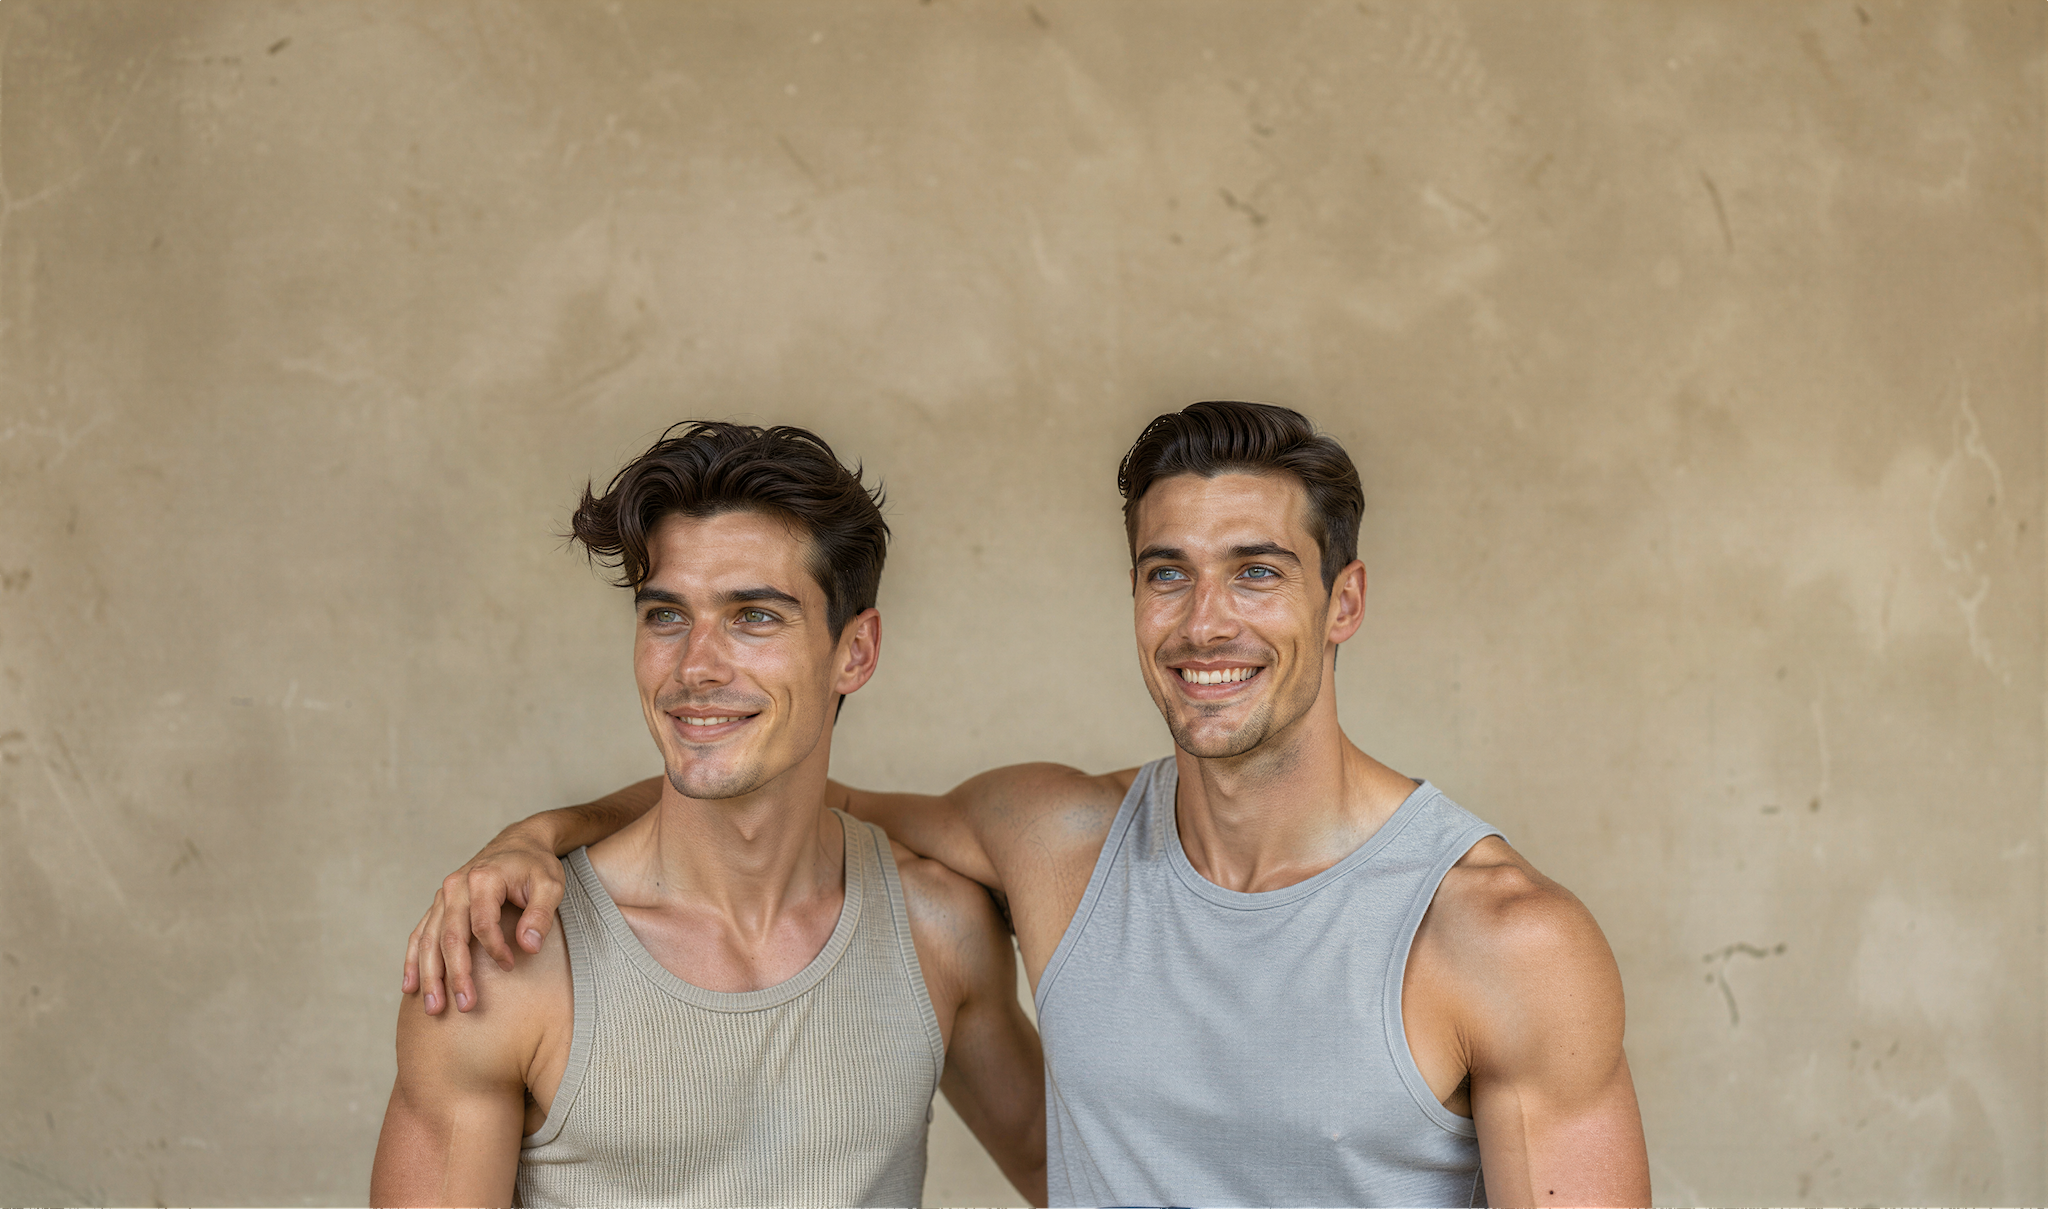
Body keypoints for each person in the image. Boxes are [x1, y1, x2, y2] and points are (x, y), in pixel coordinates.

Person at [407, 402, 1651, 1206]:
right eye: (1166, 575)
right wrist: (535, 839)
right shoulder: (1058, 845)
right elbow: (768, 781)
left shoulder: (1498, 938)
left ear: (1345, 603)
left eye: (1256, 574)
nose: (1205, 621)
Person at [370, 423, 1046, 1207]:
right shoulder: (505, 959)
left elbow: (1067, 1175)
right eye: (666, 615)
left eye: (754, 615)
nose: (695, 665)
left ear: (854, 653)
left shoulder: (940, 930)